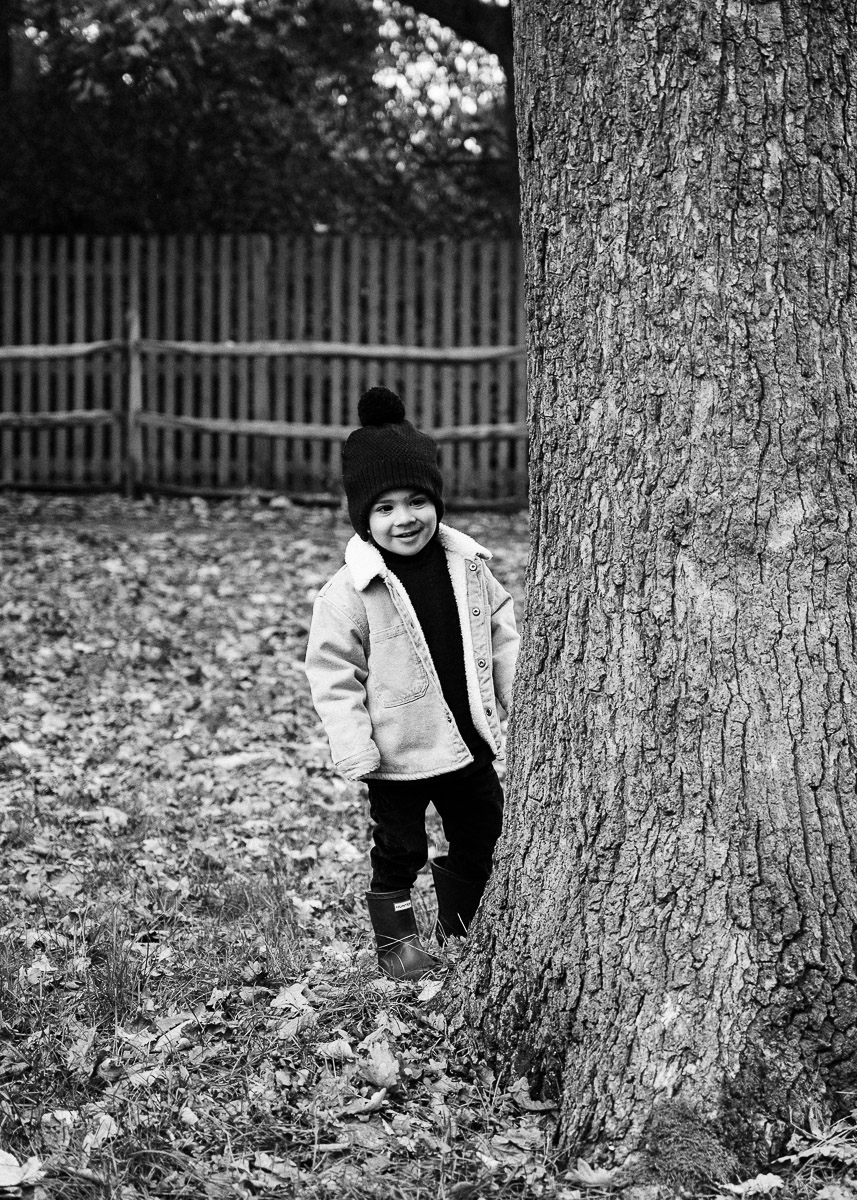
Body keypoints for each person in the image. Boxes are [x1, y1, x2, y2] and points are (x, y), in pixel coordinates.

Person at [304, 386, 519, 980]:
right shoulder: (349, 593)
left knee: (483, 833)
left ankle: (465, 926)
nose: (404, 519)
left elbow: (502, 636)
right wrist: (354, 746)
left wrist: (518, 702)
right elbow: (332, 675)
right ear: (363, 517)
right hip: (396, 751)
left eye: (417, 501)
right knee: (399, 849)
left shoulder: (468, 568)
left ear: (437, 502)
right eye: (385, 507)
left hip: (467, 739)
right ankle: (396, 943)